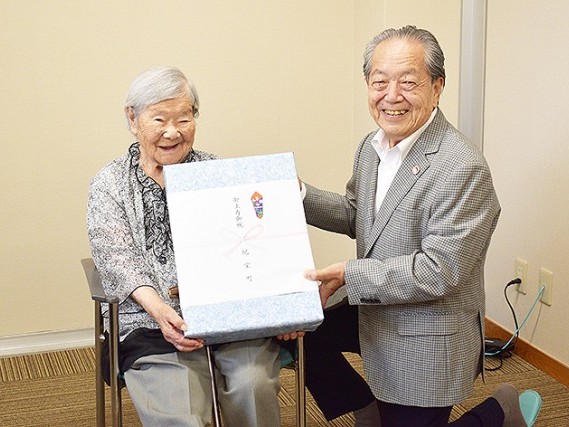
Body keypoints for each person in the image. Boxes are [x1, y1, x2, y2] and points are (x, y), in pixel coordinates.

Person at [297, 25, 541, 426]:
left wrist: (348, 274)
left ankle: (500, 411)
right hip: (378, 308)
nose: (391, 96)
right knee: (304, 331)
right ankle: (366, 408)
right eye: (380, 82)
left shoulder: (462, 167)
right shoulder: (371, 147)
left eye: (408, 83)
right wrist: (299, 194)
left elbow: (437, 271)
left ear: (437, 87)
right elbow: (359, 215)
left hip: (426, 330)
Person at [87, 66, 282, 426]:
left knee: (251, 384)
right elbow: (117, 260)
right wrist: (161, 311)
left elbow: (253, 246)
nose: (172, 132)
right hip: (148, 321)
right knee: (184, 415)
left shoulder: (217, 171)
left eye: (184, 118)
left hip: (228, 315)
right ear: (132, 118)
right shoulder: (109, 184)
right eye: (159, 119)